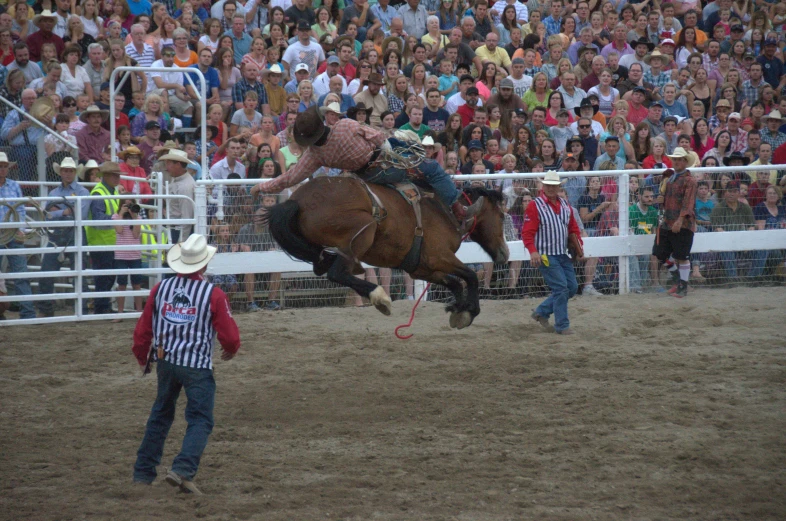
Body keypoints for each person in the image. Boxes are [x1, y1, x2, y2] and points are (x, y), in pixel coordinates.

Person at [132, 233, 241, 495]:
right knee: (201, 418)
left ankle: (143, 473)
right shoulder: (213, 295)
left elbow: (143, 328)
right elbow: (230, 335)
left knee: (160, 415)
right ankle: (182, 469)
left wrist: (141, 356)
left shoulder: (161, 289)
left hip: (166, 360)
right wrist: (230, 350)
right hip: (196, 365)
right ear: (203, 264)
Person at [262, 106, 480, 224]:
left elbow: (290, 179)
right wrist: (389, 145)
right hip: (383, 163)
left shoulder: (314, 155)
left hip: (365, 175)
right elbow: (376, 136)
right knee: (431, 168)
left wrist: (262, 187)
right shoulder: (345, 125)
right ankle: (458, 209)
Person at [523, 170, 584, 335]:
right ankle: (562, 326)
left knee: (570, 287)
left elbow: (573, 229)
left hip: (561, 253)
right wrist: (533, 251)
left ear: (558, 187)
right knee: (563, 288)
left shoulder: (565, 206)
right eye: (548, 185)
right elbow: (527, 233)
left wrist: (579, 246)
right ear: (543, 186)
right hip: (545, 255)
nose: (550, 188)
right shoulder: (535, 205)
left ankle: (542, 312)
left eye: (553, 186)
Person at [38, 157, 91, 318]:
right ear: (61, 172)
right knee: (47, 270)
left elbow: (78, 213)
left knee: (78, 271)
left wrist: (57, 211)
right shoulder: (59, 192)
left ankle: (82, 308)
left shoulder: (81, 192)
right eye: (65, 170)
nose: (68, 173)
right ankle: (47, 309)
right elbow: (47, 214)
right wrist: (65, 211)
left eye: (71, 171)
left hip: (72, 234)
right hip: (59, 234)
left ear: (75, 172)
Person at [651, 147, 698, 298]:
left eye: (680, 159)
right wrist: (661, 201)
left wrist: (680, 219)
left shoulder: (689, 181)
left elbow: (688, 203)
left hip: (681, 223)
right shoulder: (671, 179)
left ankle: (682, 285)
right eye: (675, 159)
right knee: (660, 253)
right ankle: (679, 281)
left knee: (681, 256)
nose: (677, 162)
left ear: (685, 161)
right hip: (668, 221)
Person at [0, 152, 35, 319]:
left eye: (5, 166)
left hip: (12, 232)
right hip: (6, 232)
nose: (3, 169)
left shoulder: (14, 185)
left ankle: (28, 313)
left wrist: (20, 227)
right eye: (0, 166)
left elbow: (20, 208)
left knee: (20, 273)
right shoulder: (13, 185)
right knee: (19, 272)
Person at [86, 162, 122, 314]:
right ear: (105, 176)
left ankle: (103, 306)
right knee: (104, 277)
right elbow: (98, 219)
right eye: (114, 175)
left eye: (117, 175)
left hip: (108, 241)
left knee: (108, 276)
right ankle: (101, 307)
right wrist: (116, 218)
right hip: (100, 242)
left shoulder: (110, 192)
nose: (117, 178)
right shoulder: (99, 193)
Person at [160, 149, 196, 244]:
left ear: (178, 165)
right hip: (175, 228)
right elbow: (172, 196)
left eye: (169, 164)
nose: (166, 167)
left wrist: (182, 242)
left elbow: (187, 218)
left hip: (178, 230)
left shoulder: (184, 187)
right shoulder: (178, 180)